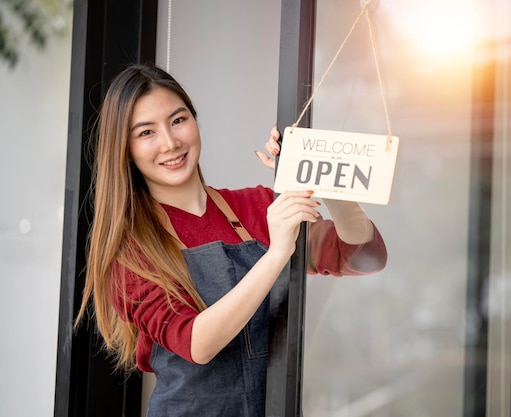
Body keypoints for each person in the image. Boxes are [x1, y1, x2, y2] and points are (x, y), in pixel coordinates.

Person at [76, 63, 387, 417]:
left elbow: (365, 256)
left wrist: (320, 172)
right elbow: (197, 343)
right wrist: (276, 255)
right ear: (125, 149)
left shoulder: (256, 207)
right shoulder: (129, 249)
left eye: (178, 120)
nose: (170, 142)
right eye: (146, 132)